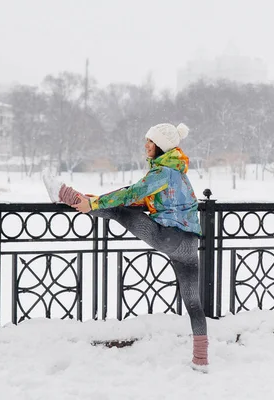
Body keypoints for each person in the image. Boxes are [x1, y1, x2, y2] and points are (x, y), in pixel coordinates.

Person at [43, 123, 208, 370]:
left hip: (169, 238)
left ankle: (67, 196)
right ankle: (201, 359)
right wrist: (97, 200)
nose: (146, 145)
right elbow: (145, 198)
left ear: (161, 146)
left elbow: (131, 193)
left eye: (150, 142)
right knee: (193, 302)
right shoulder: (177, 172)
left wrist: (94, 204)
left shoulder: (163, 172)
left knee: (120, 210)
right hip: (189, 244)